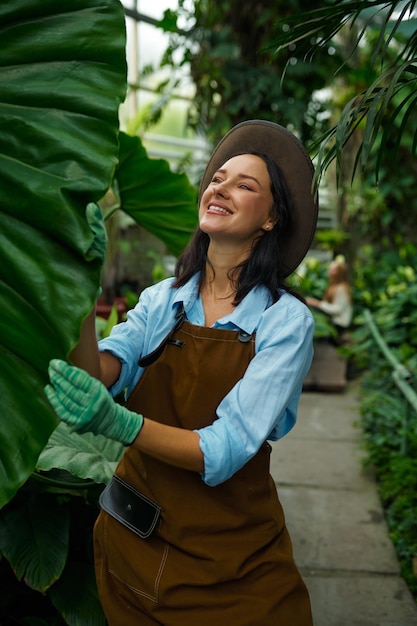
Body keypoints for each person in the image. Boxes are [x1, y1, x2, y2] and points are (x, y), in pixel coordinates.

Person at [45, 120, 318, 625]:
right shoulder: (162, 299)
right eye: (218, 177)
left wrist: (121, 425)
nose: (220, 186)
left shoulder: (285, 322)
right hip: (134, 544)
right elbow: (99, 374)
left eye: (245, 185)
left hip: (236, 559)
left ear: (271, 219)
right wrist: (82, 293)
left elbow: (229, 446)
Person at [306, 256, 352, 338]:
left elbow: (337, 309)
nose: (329, 271)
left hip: (339, 324)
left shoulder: (342, 288)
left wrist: (318, 304)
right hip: (333, 321)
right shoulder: (333, 285)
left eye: (332, 270)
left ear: (338, 273)